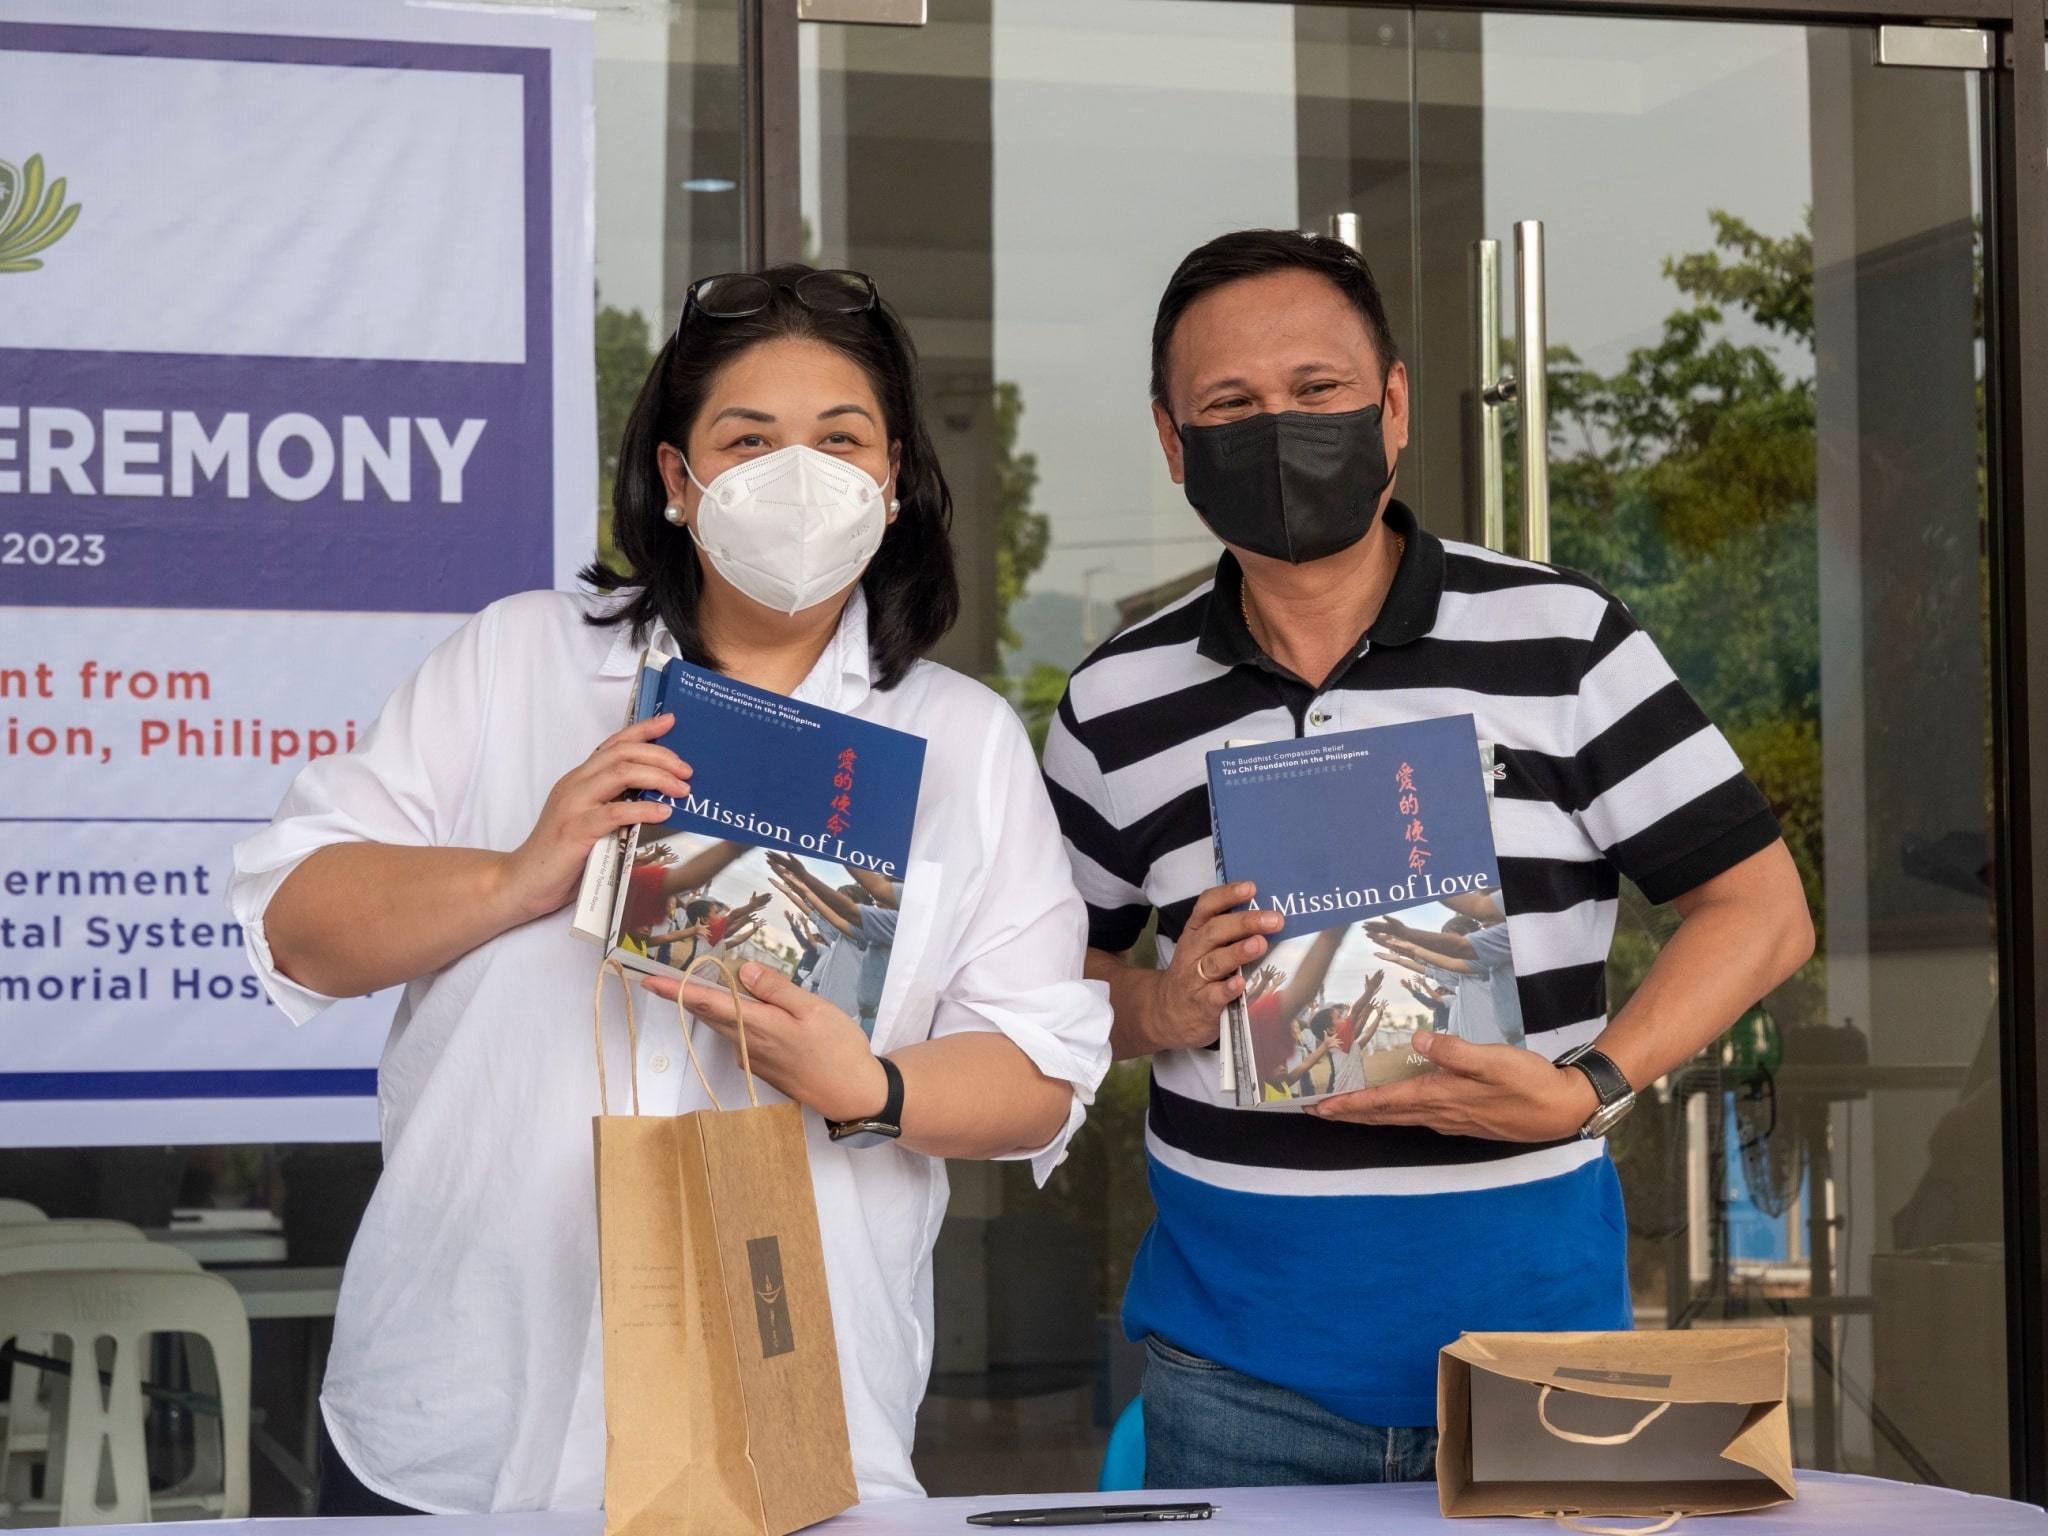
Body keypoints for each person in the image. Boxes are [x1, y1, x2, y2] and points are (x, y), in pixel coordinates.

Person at [230, 264, 1113, 1513]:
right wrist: (520, 872)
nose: (796, 476)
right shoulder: (519, 659)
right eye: (747, 440)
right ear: (675, 479)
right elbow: (297, 928)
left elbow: (1039, 1073)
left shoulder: (957, 741)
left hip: (797, 1422)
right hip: (466, 1406)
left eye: (839, 439)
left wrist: (869, 1087)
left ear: (894, 477)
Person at [1041, 229, 1814, 1488]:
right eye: (1227, 406)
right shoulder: (1115, 702)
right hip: (1237, 1377)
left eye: (1316, 391)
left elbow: (1761, 910)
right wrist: (1155, 1002)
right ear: (1173, 446)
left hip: (1541, 1357)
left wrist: (1591, 1086)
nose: (1276, 428)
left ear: (1392, 407)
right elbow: (1042, 978)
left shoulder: (1563, 641)